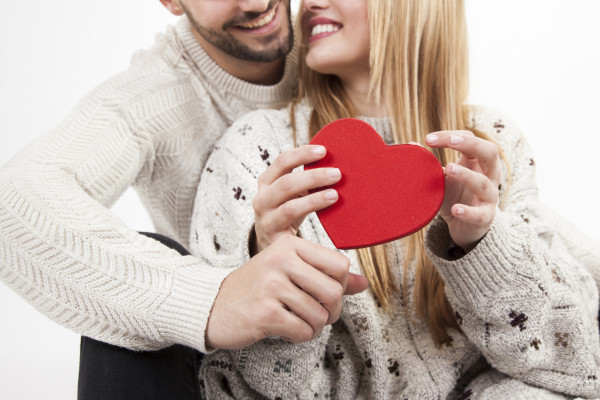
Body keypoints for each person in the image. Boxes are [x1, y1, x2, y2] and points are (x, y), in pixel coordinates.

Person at [190, 0, 600, 398]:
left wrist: (482, 245)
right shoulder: (258, 153)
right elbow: (258, 389)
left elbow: (571, 364)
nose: (310, 2)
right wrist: (273, 281)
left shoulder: (492, 143)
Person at [0, 0, 368, 399]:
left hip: (365, 361)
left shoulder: (337, 40)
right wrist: (210, 299)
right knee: (130, 309)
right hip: (234, 371)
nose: (257, 3)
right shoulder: (153, 96)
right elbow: (13, 204)